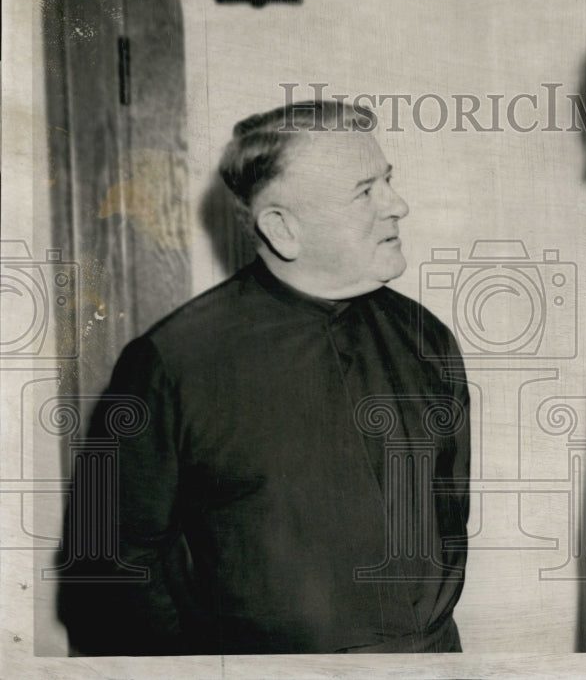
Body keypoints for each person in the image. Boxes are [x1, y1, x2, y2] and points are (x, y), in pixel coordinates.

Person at [56, 101, 470, 655]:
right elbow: (104, 579)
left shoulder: (424, 337)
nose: (399, 206)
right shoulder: (170, 362)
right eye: (364, 191)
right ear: (282, 228)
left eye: (387, 182)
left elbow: (449, 516)